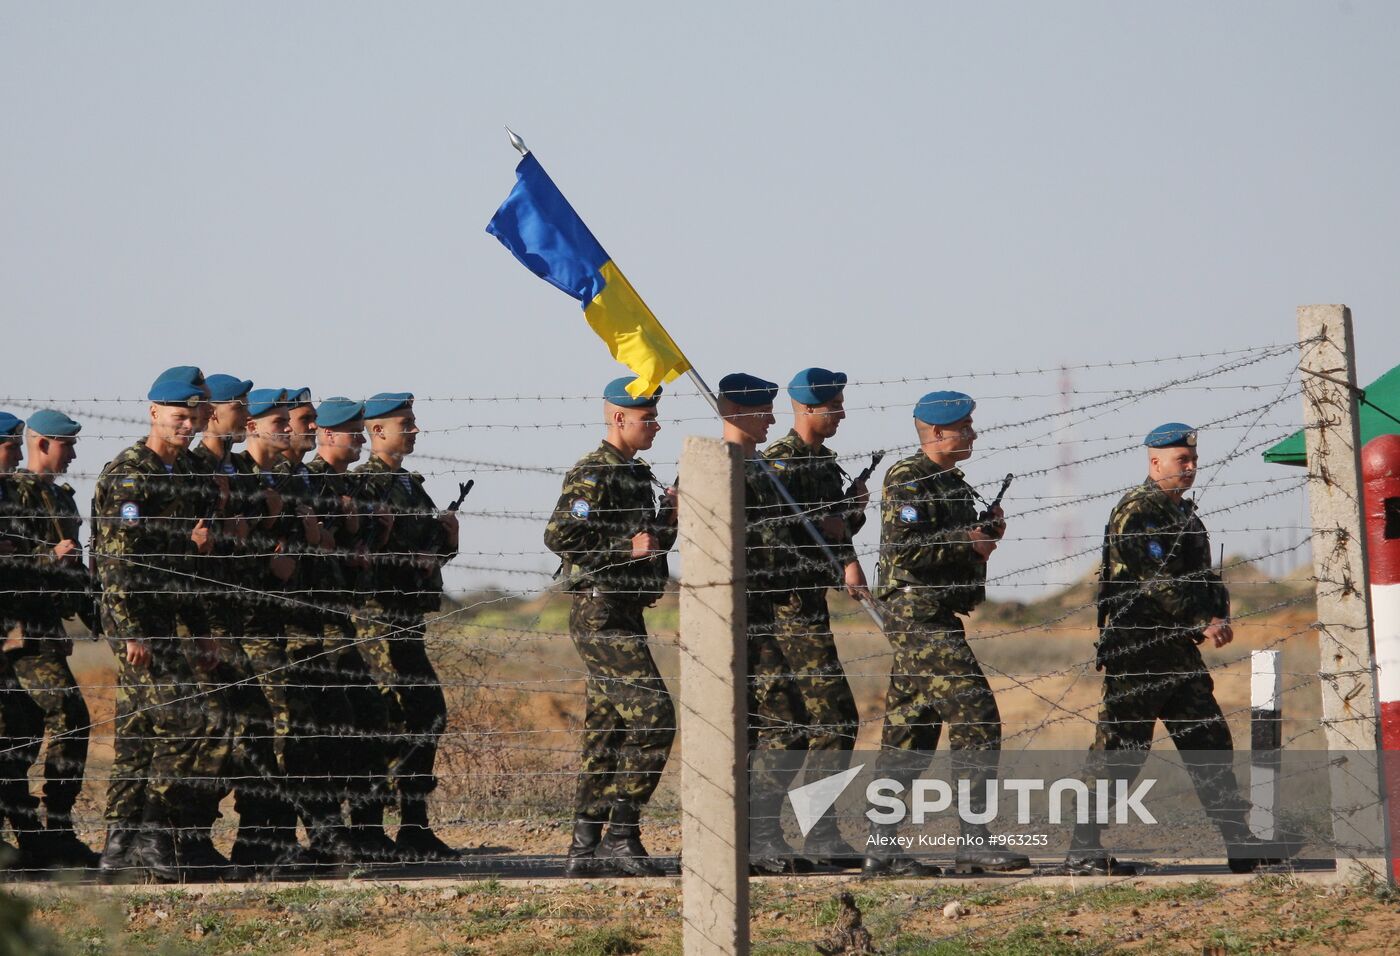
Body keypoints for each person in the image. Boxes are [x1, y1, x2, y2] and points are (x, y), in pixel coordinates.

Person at [1065, 423, 1282, 875]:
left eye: (1193, 460)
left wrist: (1216, 608)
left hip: (1178, 651)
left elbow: (1198, 577)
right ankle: (1082, 846)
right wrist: (1201, 619)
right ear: (1154, 462)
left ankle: (1238, 840)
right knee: (1120, 751)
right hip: (1139, 652)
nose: (1190, 467)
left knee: (1209, 741)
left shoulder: (1185, 515)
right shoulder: (1137, 511)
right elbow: (1156, 579)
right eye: (1182, 460)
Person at [866, 390, 1028, 877]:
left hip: (935, 611)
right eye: (963, 427)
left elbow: (950, 549)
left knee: (911, 727)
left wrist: (982, 536)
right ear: (937, 432)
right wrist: (966, 541)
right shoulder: (908, 477)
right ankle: (973, 838)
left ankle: (882, 847)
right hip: (916, 611)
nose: (972, 433)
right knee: (975, 713)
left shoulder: (951, 483)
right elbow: (907, 550)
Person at [93, 374, 231, 883]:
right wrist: (130, 632)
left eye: (194, 417)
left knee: (140, 732)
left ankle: (118, 849)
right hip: (136, 619)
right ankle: (153, 833)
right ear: (154, 413)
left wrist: (202, 629)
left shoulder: (190, 474)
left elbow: (188, 565)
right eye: (178, 416)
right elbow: (116, 563)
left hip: (172, 617)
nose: (187, 426)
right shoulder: (132, 476)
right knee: (189, 720)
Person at [544, 376, 677, 877]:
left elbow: (650, 545)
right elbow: (559, 534)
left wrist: (670, 515)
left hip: (626, 610)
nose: (655, 425)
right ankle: (621, 836)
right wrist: (625, 548)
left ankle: (583, 849)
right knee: (655, 717)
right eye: (647, 418)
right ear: (619, 418)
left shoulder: (635, 473)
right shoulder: (594, 471)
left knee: (607, 730)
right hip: (600, 614)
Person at [762, 367, 868, 866]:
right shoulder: (777, 465)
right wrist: (829, 527)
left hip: (811, 606)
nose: (841, 414)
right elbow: (772, 542)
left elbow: (831, 534)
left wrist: (850, 518)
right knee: (805, 721)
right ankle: (771, 829)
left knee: (821, 721)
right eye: (834, 406)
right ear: (807, 409)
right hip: (786, 610)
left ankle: (817, 830)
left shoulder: (824, 464)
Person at [353, 392, 459, 861]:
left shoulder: (409, 485)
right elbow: (358, 554)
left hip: (408, 619)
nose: (414, 430)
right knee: (381, 718)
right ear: (378, 431)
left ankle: (414, 827)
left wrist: (445, 540)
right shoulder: (365, 486)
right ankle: (367, 828)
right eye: (406, 423)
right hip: (377, 621)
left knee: (425, 713)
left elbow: (426, 551)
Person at [717, 372, 812, 875]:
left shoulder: (762, 470)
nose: (773, 419)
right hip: (735, 620)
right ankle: (753, 835)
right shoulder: (719, 468)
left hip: (766, 616)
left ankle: (754, 836)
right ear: (734, 412)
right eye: (762, 410)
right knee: (784, 724)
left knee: (763, 729)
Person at [3, 410, 101, 867]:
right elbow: (13, 561)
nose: (74, 454)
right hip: (18, 630)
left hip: (45, 628)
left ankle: (43, 832)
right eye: (67, 445)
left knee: (24, 730)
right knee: (63, 716)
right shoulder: (14, 492)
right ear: (42, 443)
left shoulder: (60, 497)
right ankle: (43, 828)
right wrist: (49, 558)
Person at [305, 397, 397, 863]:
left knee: (371, 718)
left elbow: (362, 556)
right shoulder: (311, 482)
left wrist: (368, 535)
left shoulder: (352, 486)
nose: (360, 439)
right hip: (315, 622)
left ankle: (367, 828)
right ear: (326, 434)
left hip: (344, 617)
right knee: (326, 727)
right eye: (351, 432)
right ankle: (326, 834)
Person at [0, 412, 49, 868]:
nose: (18, 453)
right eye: (10, 445)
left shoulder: (10, 494)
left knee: (21, 725)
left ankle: (27, 834)